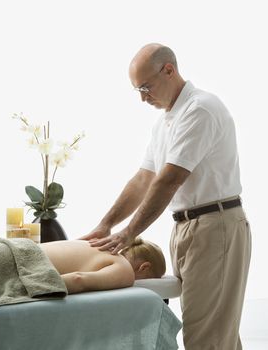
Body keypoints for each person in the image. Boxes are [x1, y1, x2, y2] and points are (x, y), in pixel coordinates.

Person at [79, 43, 251, 349]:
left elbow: (169, 180)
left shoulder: (200, 109)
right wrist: (106, 224)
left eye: (145, 87)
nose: (143, 98)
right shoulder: (165, 122)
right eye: (138, 91)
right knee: (217, 333)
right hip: (188, 227)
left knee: (205, 338)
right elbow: (144, 179)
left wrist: (129, 233)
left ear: (168, 70)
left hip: (215, 225)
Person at [41, 237, 166, 294]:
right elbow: (78, 279)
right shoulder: (125, 270)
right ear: (144, 267)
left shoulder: (100, 243)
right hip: (32, 263)